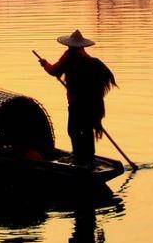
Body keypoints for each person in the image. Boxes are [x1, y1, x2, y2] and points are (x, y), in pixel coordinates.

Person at [39, 30, 117, 163]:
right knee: (86, 130)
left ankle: (78, 156)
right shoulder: (90, 61)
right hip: (91, 104)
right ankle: (88, 156)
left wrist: (44, 64)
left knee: (73, 130)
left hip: (77, 103)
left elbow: (54, 71)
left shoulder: (69, 56)